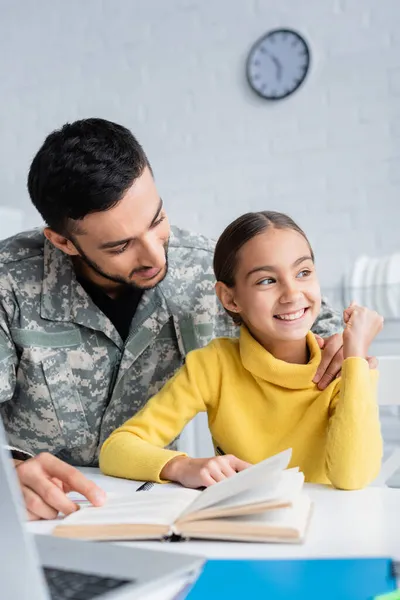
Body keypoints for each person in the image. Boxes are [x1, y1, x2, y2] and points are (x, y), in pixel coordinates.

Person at [0, 119, 352, 520]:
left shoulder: (206, 269)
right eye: (121, 245)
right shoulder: (7, 282)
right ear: (62, 241)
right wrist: (8, 471)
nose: (154, 255)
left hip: (157, 510)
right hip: (36, 515)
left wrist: (342, 343)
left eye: (157, 220)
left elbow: (315, 319)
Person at [100, 211, 383, 490]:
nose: (292, 294)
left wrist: (356, 356)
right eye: (267, 280)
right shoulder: (213, 365)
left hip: (325, 526)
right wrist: (184, 466)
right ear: (230, 298)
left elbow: (352, 478)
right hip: (241, 527)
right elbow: (116, 449)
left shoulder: (343, 368)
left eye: (303, 272)